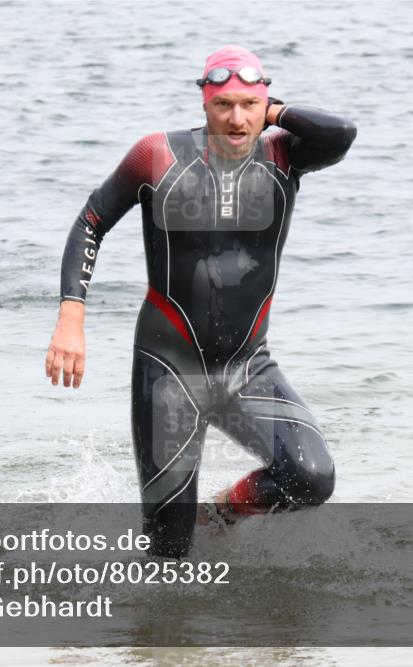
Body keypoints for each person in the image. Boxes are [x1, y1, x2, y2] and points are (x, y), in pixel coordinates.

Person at [45, 45, 357, 557]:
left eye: (249, 106)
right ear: (204, 103)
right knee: (168, 554)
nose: (236, 119)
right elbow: (91, 222)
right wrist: (71, 317)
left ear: (267, 105)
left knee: (310, 477)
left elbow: (340, 133)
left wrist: (272, 113)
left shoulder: (283, 156)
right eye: (223, 105)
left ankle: (222, 513)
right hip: (169, 371)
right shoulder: (157, 155)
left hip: (247, 368)